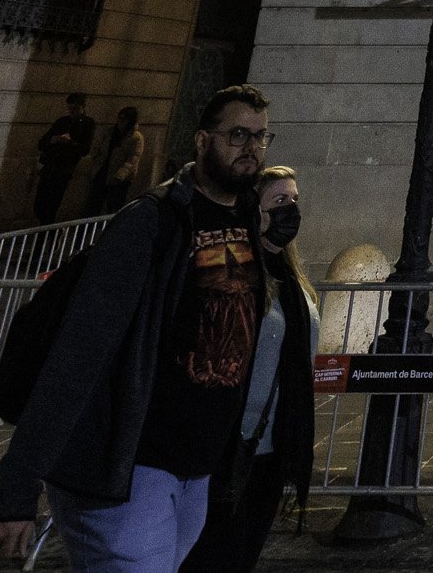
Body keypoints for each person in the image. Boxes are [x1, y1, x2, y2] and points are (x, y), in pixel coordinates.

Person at [0, 85, 307, 573]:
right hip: (131, 465)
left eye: (261, 136)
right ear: (202, 141)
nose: (252, 148)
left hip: (196, 470)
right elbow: (78, 353)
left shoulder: (244, 221)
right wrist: (18, 486)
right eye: (237, 134)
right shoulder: (152, 222)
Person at [177, 166, 314, 573]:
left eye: (294, 200)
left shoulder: (292, 276)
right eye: (279, 202)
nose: (291, 210)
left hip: (270, 445)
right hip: (224, 441)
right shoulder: (232, 266)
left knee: (242, 556)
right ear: (254, 208)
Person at [34, 94, 98, 224]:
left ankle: (45, 237)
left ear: (82, 108)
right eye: (69, 109)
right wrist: (53, 140)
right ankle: (53, 233)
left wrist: (70, 142)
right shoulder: (62, 122)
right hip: (49, 168)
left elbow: (85, 149)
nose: (71, 112)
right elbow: (42, 143)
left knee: (51, 207)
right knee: (38, 206)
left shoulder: (87, 124)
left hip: (63, 171)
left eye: (75, 109)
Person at [94, 105, 151, 212]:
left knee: (114, 205)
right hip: (103, 171)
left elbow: (133, 158)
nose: (120, 123)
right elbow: (100, 149)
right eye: (119, 119)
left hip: (120, 178)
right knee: (94, 203)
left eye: (123, 120)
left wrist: (120, 176)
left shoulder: (136, 137)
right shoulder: (111, 132)